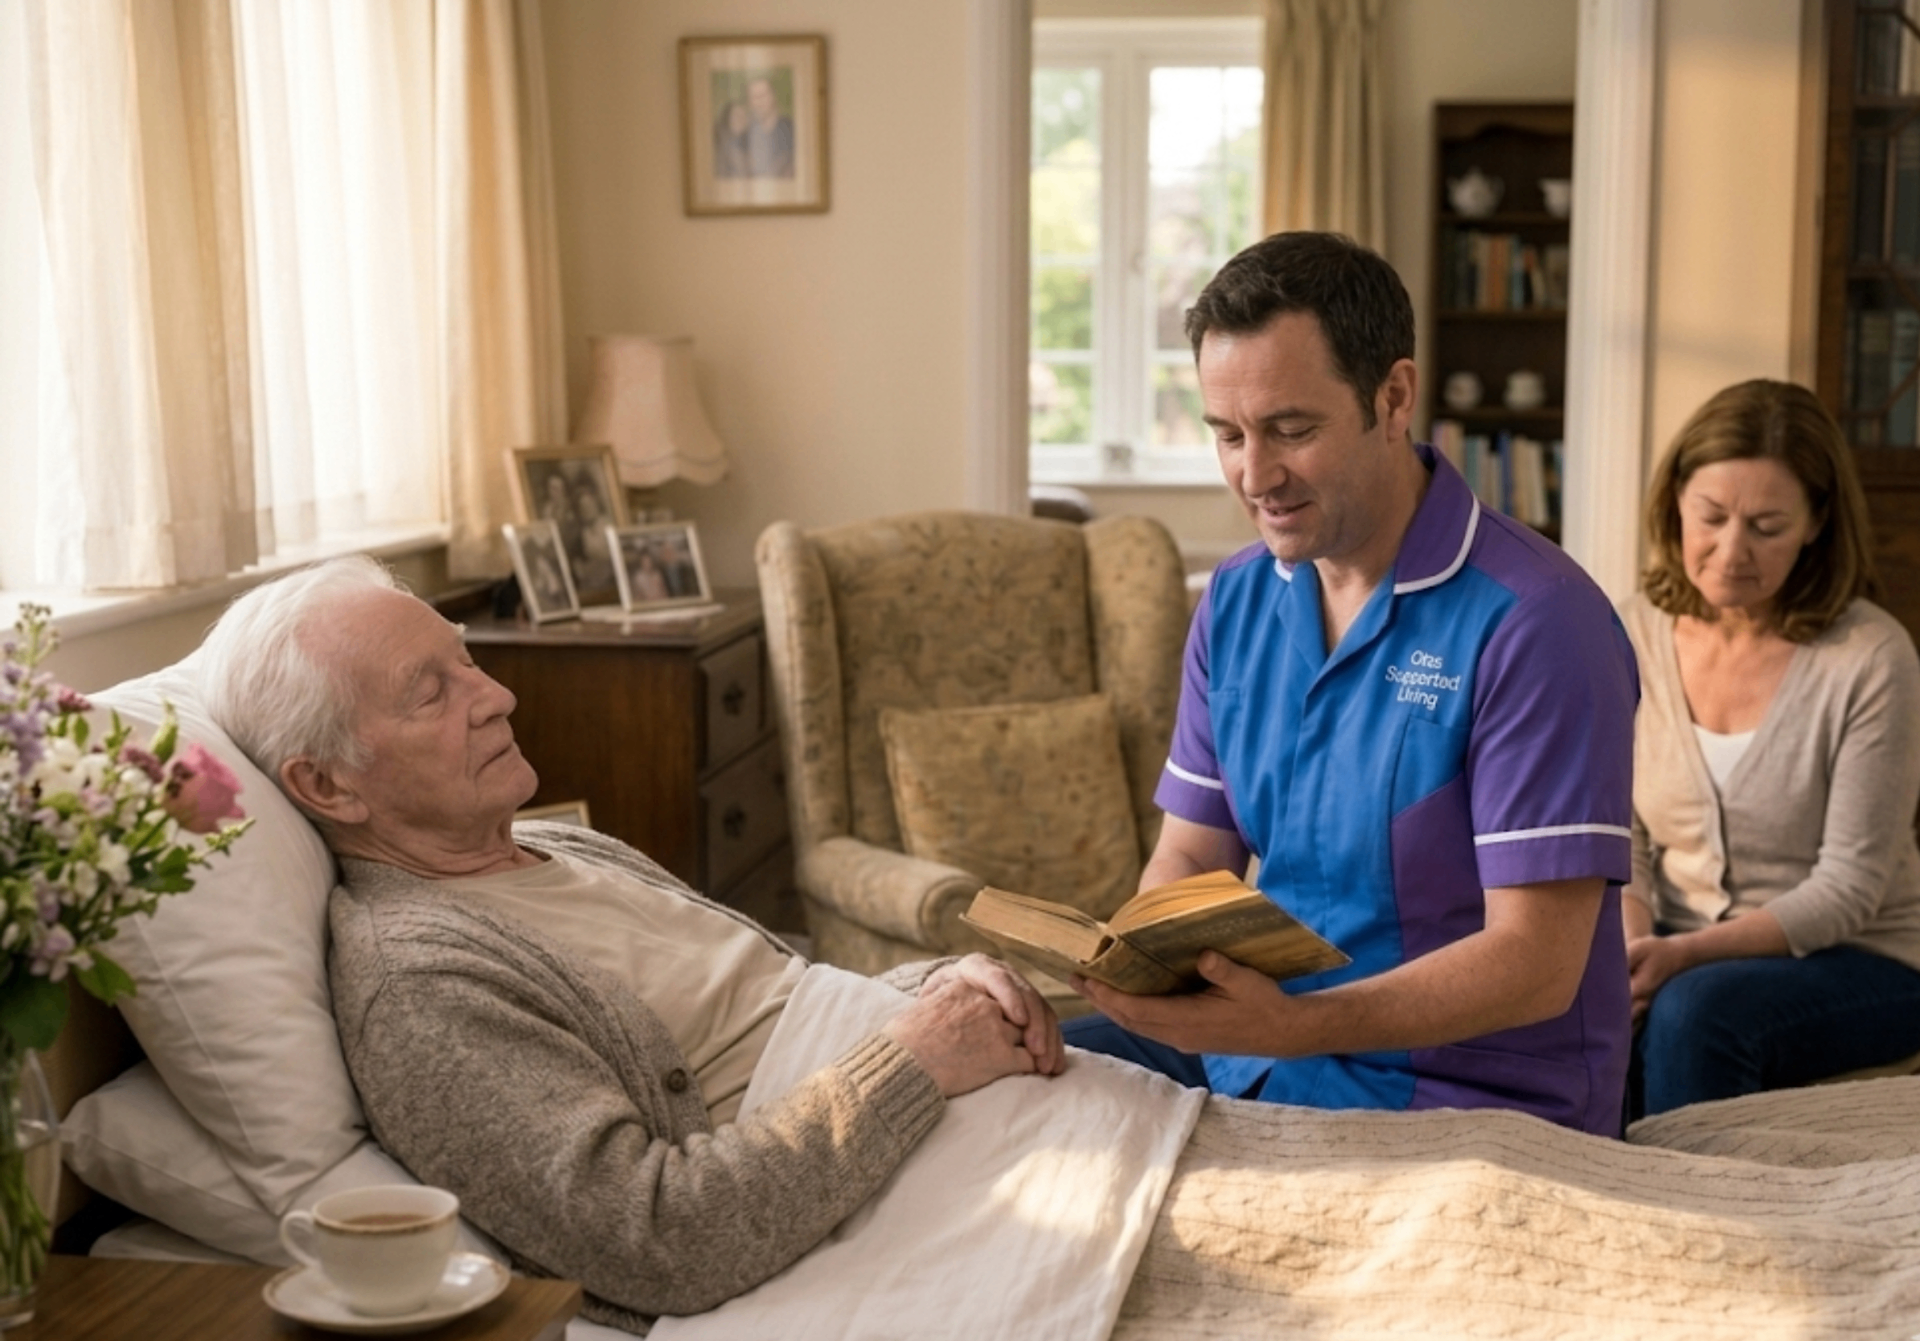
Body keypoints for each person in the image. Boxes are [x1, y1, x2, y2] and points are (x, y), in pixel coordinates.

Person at [195, 557, 1064, 1329]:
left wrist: (934, 985)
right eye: (432, 692)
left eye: (467, 661)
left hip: (953, 1101)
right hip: (911, 1183)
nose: (496, 695)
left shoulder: (558, 845)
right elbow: (659, 1237)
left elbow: (775, 996)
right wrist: (913, 1056)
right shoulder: (421, 982)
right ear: (326, 784)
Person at [1065, 231, 1641, 1136]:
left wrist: (1296, 1025)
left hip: (1473, 1097)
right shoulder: (1237, 598)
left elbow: (1537, 961)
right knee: (997, 1070)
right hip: (1268, 1048)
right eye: (1228, 435)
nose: (1257, 476)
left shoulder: (1538, 621)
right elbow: (1190, 855)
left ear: (1393, 397)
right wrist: (1137, 965)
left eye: (1292, 430)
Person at [1618, 378, 1920, 1118]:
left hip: (1868, 957)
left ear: (1817, 522)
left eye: (1767, 525)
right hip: (1669, 947)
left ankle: (1705, 1228)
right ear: (1676, 503)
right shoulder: (1633, 631)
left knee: (1694, 1013)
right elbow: (1617, 830)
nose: (1730, 551)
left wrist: (1681, 956)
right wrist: (1629, 953)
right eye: (1711, 516)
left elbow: (1848, 887)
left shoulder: (1871, 657)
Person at [743, 75, 794, 178]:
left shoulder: (791, 129)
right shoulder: (744, 136)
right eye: (754, 97)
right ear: (749, 102)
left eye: (763, 95)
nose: (759, 102)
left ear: (773, 96)